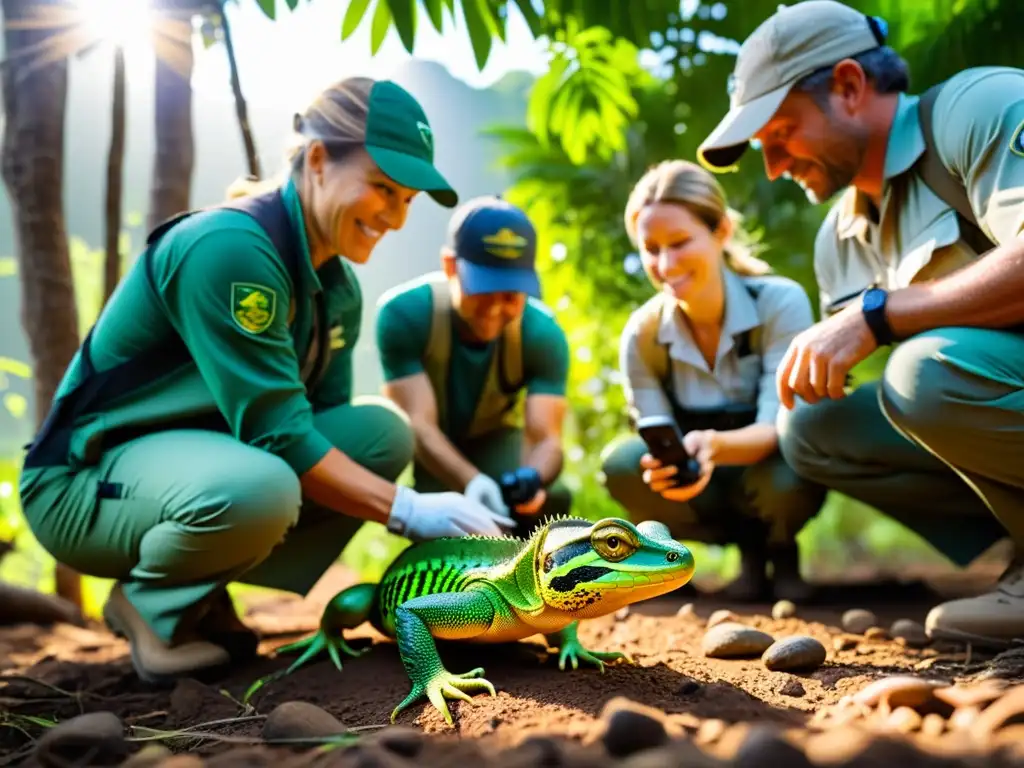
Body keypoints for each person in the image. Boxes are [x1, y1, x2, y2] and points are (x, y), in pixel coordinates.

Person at [16, 76, 516, 685]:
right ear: (316, 161)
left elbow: (317, 428)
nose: (394, 215)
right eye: (382, 187)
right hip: (82, 482)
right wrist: (408, 510)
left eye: (408, 199)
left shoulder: (336, 289)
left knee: (382, 434)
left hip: (190, 471)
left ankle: (200, 586)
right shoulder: (231, 249)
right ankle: (152, 605)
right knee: (267, 483)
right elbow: (281, 439)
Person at [697, 0, 1024, 647]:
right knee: (814, 426)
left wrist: (880, 315)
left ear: (848, 87)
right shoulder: (838, 241)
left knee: (924, 373)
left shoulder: (977, 107)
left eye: (781, 133)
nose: (773, 167)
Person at [600, 159, 826, 602]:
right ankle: (678, 561)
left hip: (770, 466)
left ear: (721, 231)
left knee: (793, 460)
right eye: (650, 248)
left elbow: (777, 424)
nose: (665, 264)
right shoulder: (642, 334)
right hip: (701, 479)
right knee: (624, 465)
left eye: (680, 242)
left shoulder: (780, 302)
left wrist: (714, 447)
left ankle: (779, 550)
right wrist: (669, 467)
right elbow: (654, 430)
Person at [375, 196, 572, 534]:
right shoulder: (405, 315)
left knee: (553, 498)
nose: (496, 309)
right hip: (434, 450)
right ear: (451, 266)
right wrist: (474, 483)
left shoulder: (543, 333)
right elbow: (419, 426)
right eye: (483, 290)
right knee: (446, 523)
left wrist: (532, 478)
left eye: (510, 295)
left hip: (495, 439)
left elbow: (547, 439)